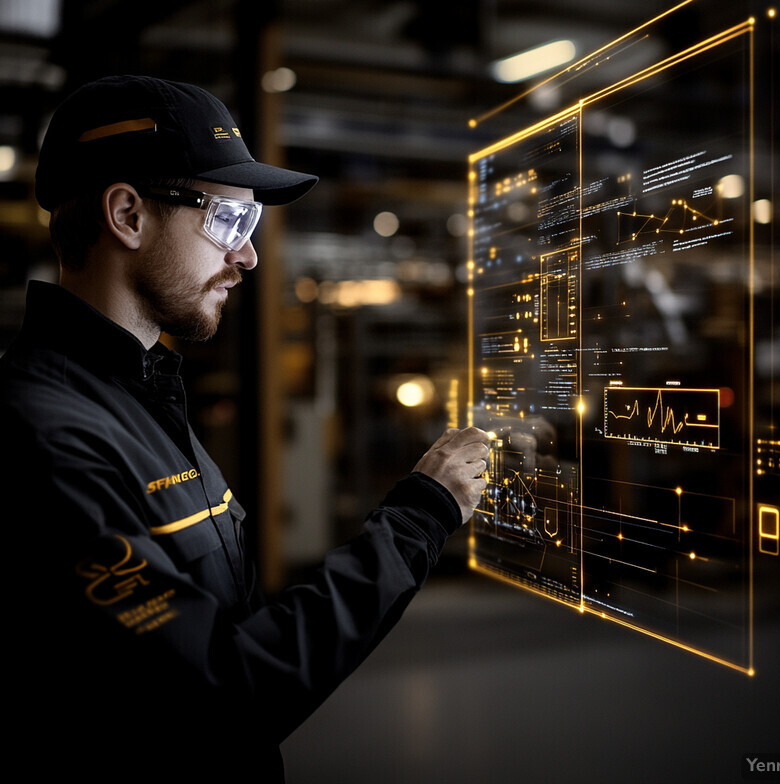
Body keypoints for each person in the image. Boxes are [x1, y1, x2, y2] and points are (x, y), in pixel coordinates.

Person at [1, 75, 489, 778]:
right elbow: (217, 692)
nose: (248, 257)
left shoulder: (145, 400)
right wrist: (418, 520)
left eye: (251, 229)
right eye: (229, 222)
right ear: (128, 215)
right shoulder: (43, 437)